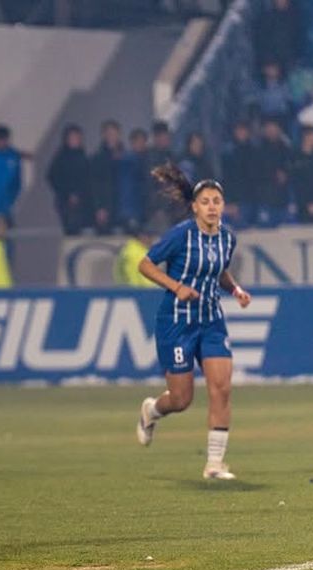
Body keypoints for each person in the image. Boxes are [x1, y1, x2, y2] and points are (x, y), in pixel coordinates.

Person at [135, 165, 253, 480]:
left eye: (217, 201)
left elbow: (220, 272)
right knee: (181, 399)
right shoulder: (181, 235)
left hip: (211, 320)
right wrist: (176, 287)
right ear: (194, 207)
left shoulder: (227, 238)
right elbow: (145, 265)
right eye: (206, 202)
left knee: (222, 388)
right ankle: (152, 410)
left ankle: (214, 464)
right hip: (177, 322)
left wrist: (236, 289)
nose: (212, 207)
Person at [46, 124, 93, 235]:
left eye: (78, 137)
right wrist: (68, 194)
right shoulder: (60, 158)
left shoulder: (83, 157)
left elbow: (87, 180)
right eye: (72, 137)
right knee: (71, 230)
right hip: (66, 203)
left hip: (83, 202)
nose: (75, 140)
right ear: (66, 139)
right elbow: (52, 177)